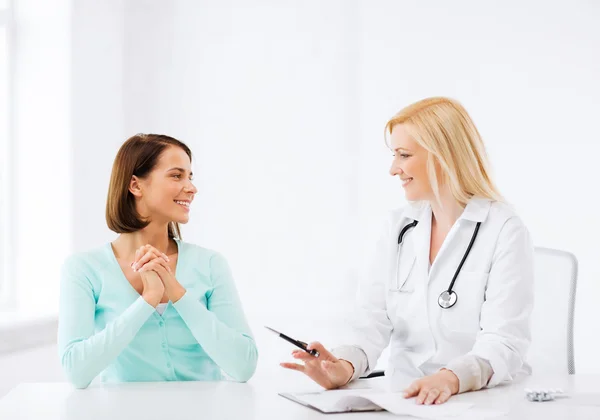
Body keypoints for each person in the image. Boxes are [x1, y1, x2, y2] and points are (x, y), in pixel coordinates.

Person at [281, 97, 534, 405]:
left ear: (443, 157)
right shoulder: (398, 227)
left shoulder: (504, 229)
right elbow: (370, 321)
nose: (393, 169)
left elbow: (504, 341)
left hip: (476, 399)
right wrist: (343, 368)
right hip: (404, 399)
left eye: (403, 155)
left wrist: (451, 378)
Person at [58, 134, 257, 389]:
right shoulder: (84, 269)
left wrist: (177, 293)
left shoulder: (210, 263)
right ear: (136, 185)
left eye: (190, 176)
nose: (191, 187)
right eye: (176, 175)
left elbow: (243, 366)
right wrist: (148, 300)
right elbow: (77, 372)